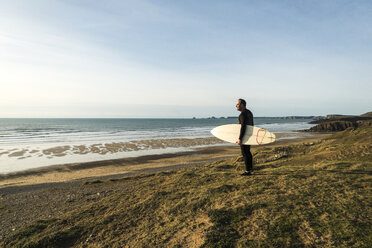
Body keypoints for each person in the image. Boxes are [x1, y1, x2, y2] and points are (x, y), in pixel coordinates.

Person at [236, 99, 254, 176]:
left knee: (245, 153)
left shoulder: (243, 114)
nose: (236, 105)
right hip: (249, 135)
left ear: (242, 105)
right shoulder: (249, 112)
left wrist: (240, 138)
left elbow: (243, 127)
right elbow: (251, 125)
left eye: (238, 104)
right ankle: (250, 168)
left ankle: (247, 171)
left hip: (245, 136)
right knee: (248, 152)